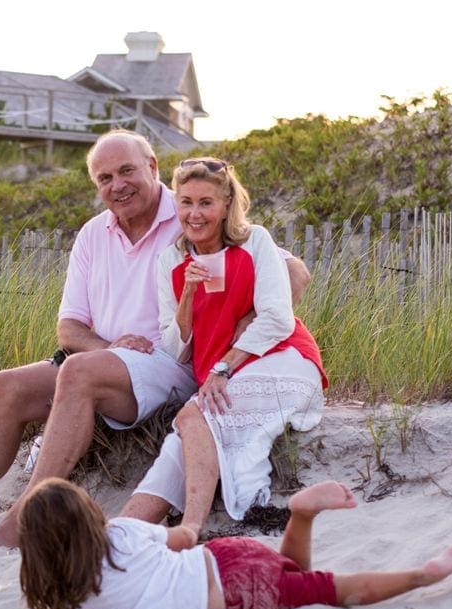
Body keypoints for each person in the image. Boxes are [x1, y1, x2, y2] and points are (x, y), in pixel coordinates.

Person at [0, 132, 309, 551]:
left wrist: (245, 323)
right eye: (105, 178)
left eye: (127, 171)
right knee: (9, 384)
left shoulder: (191, 210)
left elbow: (295, 274)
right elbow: (70, 329)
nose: (118, 185)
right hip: (109, 361)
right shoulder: (94, 234)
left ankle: (26, 517)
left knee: (78, 370)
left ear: (152, 167)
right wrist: (109, 347)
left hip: (173, 362)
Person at [119, 157, 328, 545]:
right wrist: (188, 296)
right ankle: (116, 538)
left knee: (194, 415)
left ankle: (191, 530)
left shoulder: (256, 242)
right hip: (220, 375)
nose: (194, 214)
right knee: (175, 451)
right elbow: (173, 348)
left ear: (227, 204)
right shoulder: (171, 260)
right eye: (185, 202)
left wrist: (224, 368)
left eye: (206, 203)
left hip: (281, 359)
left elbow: (278, 319)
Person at [13, 477, 452, 609]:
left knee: (331, 591)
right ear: (90, 515)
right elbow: (180, 540)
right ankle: (301, 516)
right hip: (222, 556)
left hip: (230, 597)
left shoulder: (71, 596)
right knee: (293, 576)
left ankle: (420, 575)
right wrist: (189, 525)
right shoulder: (123, 533)